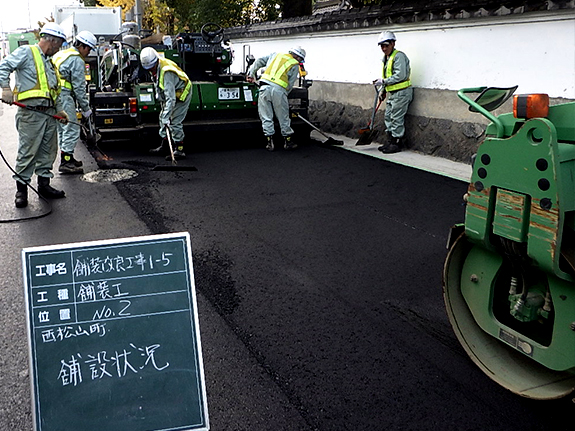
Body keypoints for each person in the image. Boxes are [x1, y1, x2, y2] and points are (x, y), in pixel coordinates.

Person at [0, 22, 69, 208]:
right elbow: (4, 66)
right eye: (59, 44)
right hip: (31, 114)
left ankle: (44, 186)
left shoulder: (50, 63)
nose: (59, 49)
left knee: (48, 152)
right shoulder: (27, 53)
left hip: (49, 114)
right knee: (28, 152)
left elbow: (55, 90)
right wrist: (5, 88)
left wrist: (60, 110)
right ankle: (21, 191)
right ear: (52, 41)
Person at [53, 30, 97, 174]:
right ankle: (66, 162)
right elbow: (78, 88)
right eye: (89, 49)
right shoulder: (77, 60)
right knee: (71, 128)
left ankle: (68, 157)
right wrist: (85, 108)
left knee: (62, 129)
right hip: (64, 97)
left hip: (54, 96)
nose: (88, 53)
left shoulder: (62, 54)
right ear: (83, 46)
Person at [246, 46, 306, 151]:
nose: (300, 61)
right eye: (301, 59)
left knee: (266, 116)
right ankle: (288, 141)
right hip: (279, 91)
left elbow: (259, 61)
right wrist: (283, 97)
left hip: (264, 88)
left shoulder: (275, 55)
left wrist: (250, 74)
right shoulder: (294, 65)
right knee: (283, 117)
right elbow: (289, 85)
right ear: (297, 56)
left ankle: (270, 142)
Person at [140, 47, 192, 160]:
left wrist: (168, 115)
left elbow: (171, 98)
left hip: (182, 92)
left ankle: (179, 149)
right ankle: (165, 146)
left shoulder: (166, 72)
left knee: (174, 121)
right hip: (170, 94)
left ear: (156, 62)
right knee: (162, 118)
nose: (150, 71)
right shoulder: (155, 67)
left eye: (152, 68)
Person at [374, 31, 413, 154]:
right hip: (393, 93)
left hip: (401, 92)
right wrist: (384, 91)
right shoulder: (386, 58)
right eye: (382, 46)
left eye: (386, 45)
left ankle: (396, 143)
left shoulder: (398, 56)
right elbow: (388, 75)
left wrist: (383, 81)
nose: (384, 48)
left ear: (393, 43)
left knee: (396, 118)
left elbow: (400, 75)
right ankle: (390, 141)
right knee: (388, 117)